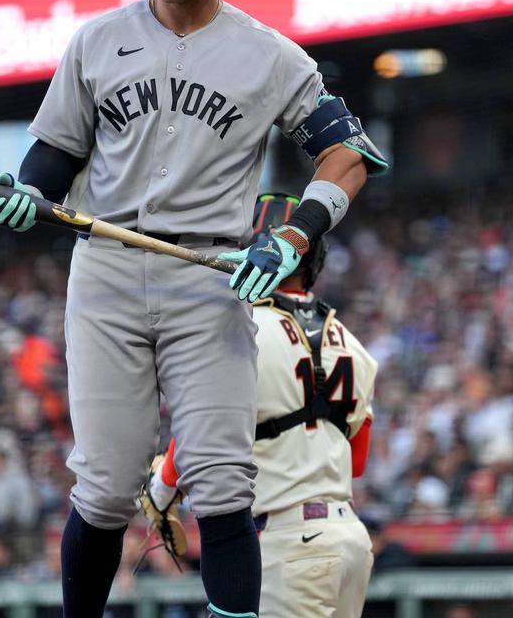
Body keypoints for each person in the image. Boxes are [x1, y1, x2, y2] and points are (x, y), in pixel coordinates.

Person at [0, 0, 386, 618]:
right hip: (104, 266)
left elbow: (349, 157)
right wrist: (33, 194)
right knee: (103, 486)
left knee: (223, 483)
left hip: (209, 271)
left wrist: (293, 235)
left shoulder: (268, 54)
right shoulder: (98, 40)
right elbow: (54, 154)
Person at [143, 194, 379, 617]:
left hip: (289, 543)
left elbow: (205, 429)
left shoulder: (243, 328)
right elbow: (356, 461)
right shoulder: (354, 344)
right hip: (349, 540)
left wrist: (162, 486)